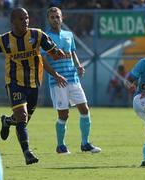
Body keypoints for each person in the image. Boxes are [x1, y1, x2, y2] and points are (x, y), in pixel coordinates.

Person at [0, 8, 66, 165]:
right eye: (21, 19)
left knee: (22, 120)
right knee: (22, 116)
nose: (25, 21)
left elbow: (53, 52)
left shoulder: (37, 35)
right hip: (14, 83)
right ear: (13, 22)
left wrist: (57, 53)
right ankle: (28, 153)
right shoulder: (4, 40)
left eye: (27, 18)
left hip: (34, 84)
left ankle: (7, 121)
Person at [42, 7, 101, 154]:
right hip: (58, 81)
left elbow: (72, 52)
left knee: (84, 109)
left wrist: (78, 65)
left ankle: (85, 143)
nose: (55, 19)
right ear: (48, 19)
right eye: (52, 17)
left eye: (57, 17)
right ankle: (60, 146)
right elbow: (43, 60)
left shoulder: (68, 35)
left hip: (73, 78)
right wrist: (55, 75)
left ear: (62, 18)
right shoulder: (45, 37)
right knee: (64, 114)